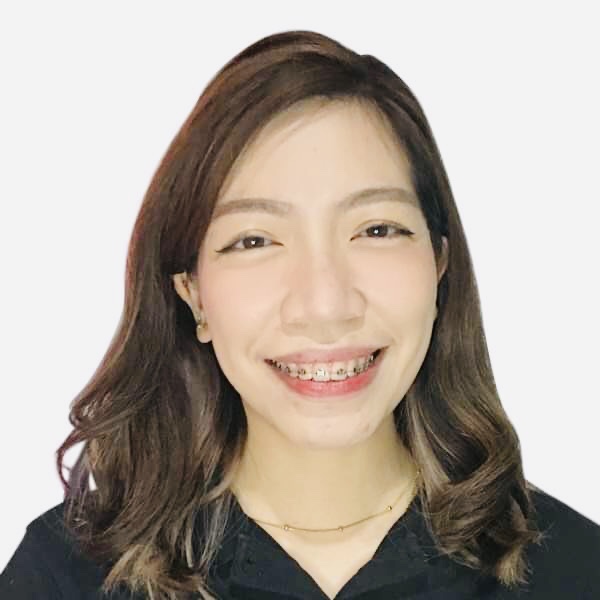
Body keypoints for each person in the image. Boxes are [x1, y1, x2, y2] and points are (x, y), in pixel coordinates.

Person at [1, 29, 599, 600]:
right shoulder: (65, 579)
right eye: (254, 241)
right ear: (193, 295)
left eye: (377, 229)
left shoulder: (575, 572)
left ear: (439, 266)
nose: (325, 305)